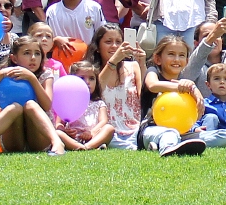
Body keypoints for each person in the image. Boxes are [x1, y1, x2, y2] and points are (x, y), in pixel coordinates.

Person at [0, 39, 64, 158]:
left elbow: (47, 105)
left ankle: (57, 142)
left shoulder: (46, 75)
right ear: (14, 58)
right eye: (27, 53)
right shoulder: (6, 76)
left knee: (30, 104)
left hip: (39, 139)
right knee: (14, 107)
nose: (33, 57)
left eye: (37, 53)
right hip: (14, 140)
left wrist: (32, 79)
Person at [139, 34, 210, 156]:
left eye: (181, 55)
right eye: (171, 54)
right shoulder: (153, 72)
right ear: (158, 59)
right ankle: (167, 147)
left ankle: (178, 144)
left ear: (187, 61)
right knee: (170, 134)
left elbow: (193, 115)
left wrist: (193, 89)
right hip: (151, 129)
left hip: (182, 132)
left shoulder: (185, 82)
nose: (176, 59)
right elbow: (152, 85)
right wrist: (188, 88)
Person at [93, 22, 145, 150]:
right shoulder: (92, 71)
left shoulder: (133, 66)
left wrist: (142, 63)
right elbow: (95, 92)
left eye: (118, 42)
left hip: (135, 126)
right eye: (108, 42)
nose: (114, 46)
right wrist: (114, 61)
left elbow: (143, 94)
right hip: (108, 128)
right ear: (98, 47)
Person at [52, 59, 114, 151]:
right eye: (82, 78)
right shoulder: (67, 102)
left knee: (109, 128)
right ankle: (77, 146)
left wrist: (91, 133)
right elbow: (59, 123)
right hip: (73, 138)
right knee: (57, 133)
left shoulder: (99, 103)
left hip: (92, 136)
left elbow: (103, 121)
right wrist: (65, 130)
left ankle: (87, 147)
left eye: (92, 78)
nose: (87, 82)